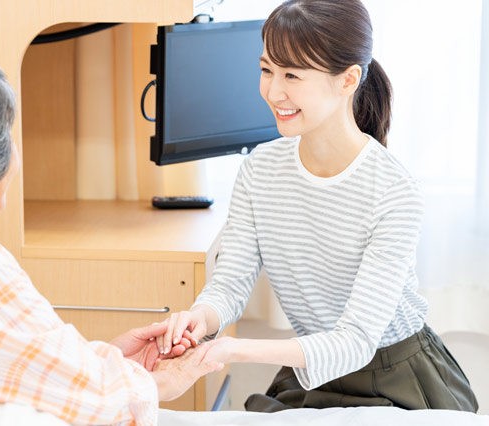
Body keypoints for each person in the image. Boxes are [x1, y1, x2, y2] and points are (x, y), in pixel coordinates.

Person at [0, 55, 221, 426]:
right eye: (7, 137)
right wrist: (161, 382)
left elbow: (17, 366)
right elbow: (89, 397)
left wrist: (112, 360)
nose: (14, 151)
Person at [156, 0, 478, 413]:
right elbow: (230, 283)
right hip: (314, 367)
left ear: (348, 80)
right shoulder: (260, 170)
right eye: (267, 70)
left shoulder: (394, 190)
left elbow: (356, 340)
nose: (273, 91)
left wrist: (232, 350)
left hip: (397, 375)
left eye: (292, 75)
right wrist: (201, 318)